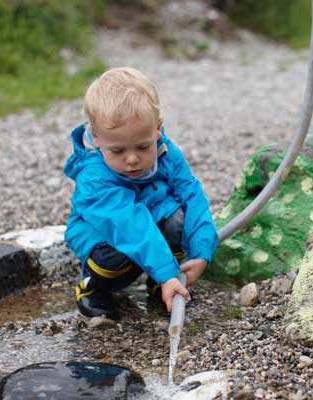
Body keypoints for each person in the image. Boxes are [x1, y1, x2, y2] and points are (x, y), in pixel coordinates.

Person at [63, 67, 218, 320]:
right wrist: (167, 272)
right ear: (96, 137)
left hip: (148, 225)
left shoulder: (166, 153)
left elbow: (192, 197)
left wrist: (201, 251)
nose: (132, 159)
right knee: (114, 252)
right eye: (118, 151)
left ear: (157, 129)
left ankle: (160, 284)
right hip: (106, 235)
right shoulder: (94, 178)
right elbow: (128, 225)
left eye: (143, 146)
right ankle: (92, 288)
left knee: (177, 219)